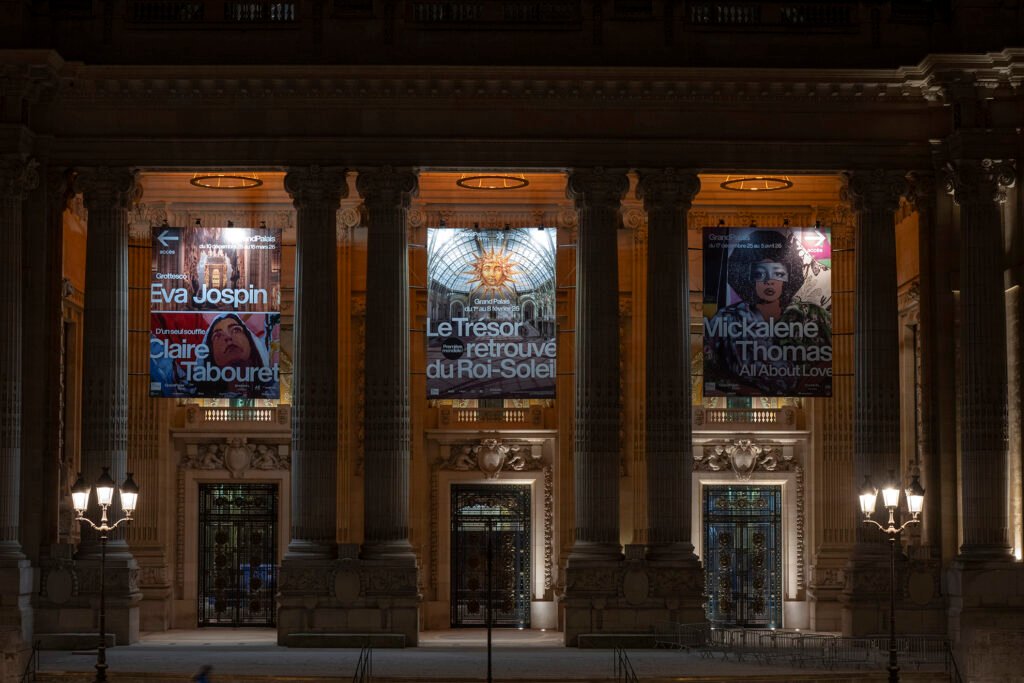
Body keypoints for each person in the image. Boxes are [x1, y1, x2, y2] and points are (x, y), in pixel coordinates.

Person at [704, 229, 831, 396]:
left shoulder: (811, 315)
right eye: (760, 273)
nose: (769, 281)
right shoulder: (727, 319)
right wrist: (747, 391)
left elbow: (837, 355)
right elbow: (709, 372)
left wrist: (810, 381)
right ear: (748, 277)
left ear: (788, 278)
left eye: (778, 273)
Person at [195, 312, 277, 398]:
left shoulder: (276, 390)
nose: (228, 337)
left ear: (250, 342)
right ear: (211, 353)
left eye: (236, 330)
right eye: (218, 335)